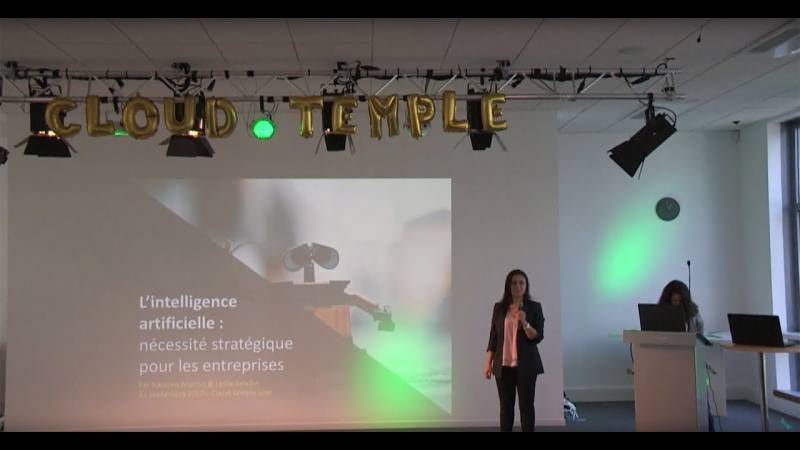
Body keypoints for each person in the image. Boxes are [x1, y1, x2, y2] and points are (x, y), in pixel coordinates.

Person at [483, 269, 545, 432]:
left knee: (526, 407)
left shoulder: (534, 307)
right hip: (503, 366)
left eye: (521, 282)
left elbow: (538, 336)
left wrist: (525, 322)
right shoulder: (499, 308)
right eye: (514, 282)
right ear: (508, 286)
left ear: (526, 286)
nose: (517, 286)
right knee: (506, 407)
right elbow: (493, 338)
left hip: (527, 366)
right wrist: (488, 363)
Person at [657, 279, 715, 431]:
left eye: (679, 301)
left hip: (693, 359)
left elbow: (700, 335)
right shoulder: (661, 312)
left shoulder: (694, 313)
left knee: (702, 404)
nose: (676, 304)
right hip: (670, 362)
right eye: (673, 301)